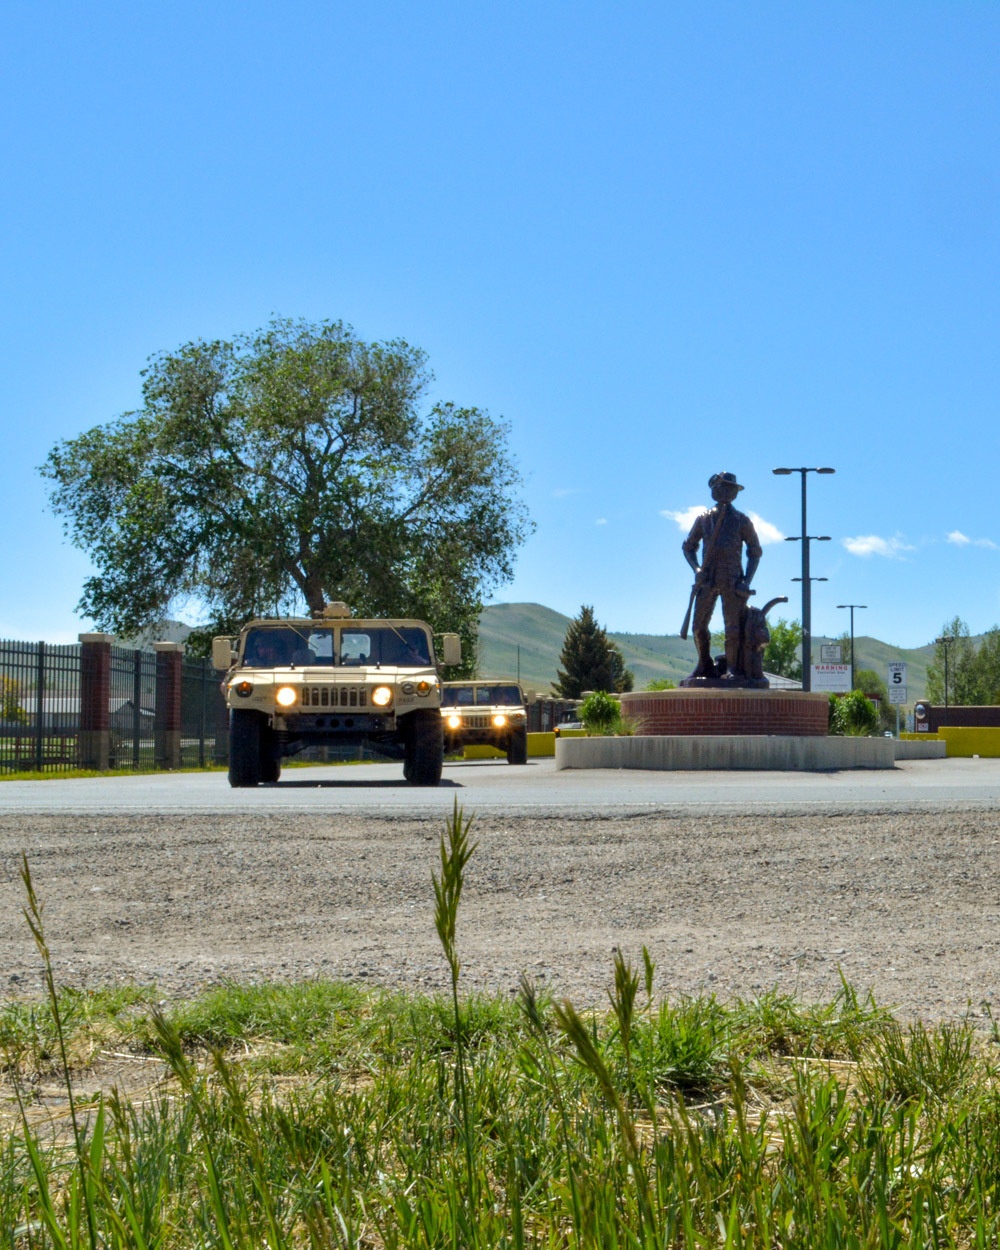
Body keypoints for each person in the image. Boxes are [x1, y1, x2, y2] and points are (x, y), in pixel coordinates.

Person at [682, 471, 762, 679]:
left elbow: (755, 551)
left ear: (734, 493)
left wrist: (746, 582)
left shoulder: (742, 520)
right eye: (720, 488)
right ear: (714, 491)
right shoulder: (703, 519)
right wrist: (697, 569)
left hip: (732, 579)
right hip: (707, 579)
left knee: (732, 627)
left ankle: (733, 669)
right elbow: (688, 547)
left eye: (729, 488)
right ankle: (704, 665)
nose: (725, 492)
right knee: (698, 626)